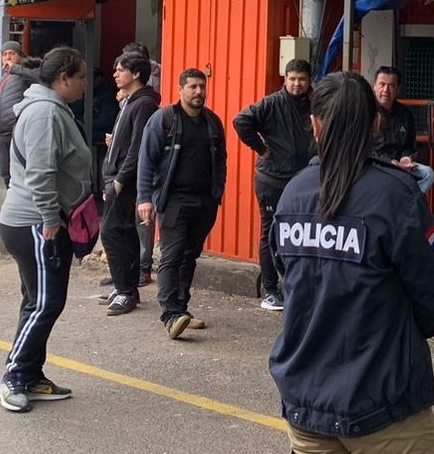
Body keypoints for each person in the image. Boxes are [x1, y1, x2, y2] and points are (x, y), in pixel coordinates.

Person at [269, 72, 434, 454]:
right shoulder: (394, 195)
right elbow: (432, 301)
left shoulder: (294, 193)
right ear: (376, 122)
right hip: (385, 403)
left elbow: (285, 280)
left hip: (308, 400)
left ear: (315, 125)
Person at [0, 46, 94, 414]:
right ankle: (14, 376)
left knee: (37, 300)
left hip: (42, 221)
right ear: (63, 78)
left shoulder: (53, 110)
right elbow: (40, 173)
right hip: (36, 223)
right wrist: (51, 220)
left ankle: (32, 375)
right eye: (81, 76)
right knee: (46, 302)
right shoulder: (43, 113)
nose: (86, 83)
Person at [139, 68, 228, 337]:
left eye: (202, 86)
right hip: (174, 200)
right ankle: (170, 314)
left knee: (190, 256)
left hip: (204, 202)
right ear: (180, 90)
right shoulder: (164, 120)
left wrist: (218, 192)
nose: (199, 92)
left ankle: (182, 309)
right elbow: (146, 161)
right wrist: (144, 198)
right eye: (193, 87)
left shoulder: (212, 122)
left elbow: (221, 160)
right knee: (172, 254)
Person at [233, 59, 315, 311]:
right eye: (292, 79)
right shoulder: (271, 103)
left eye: (301, 79)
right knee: (272, 233)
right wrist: (262, 149)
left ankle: (299, 286)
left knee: (305, 232)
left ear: (309, 80)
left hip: (304, 180)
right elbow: (240, 121)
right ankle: (270, 290)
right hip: (272, 180)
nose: (296, 84)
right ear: (285, 79)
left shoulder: (317, 103)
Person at [98, 53, 161, 315]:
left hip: (123, 180)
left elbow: (138, 147)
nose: (115, 74)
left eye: (121, 70)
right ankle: (124, 285)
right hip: (114, 174)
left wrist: (122, 180)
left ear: (135, 74)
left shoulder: (143, 103)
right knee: (122, 232)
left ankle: (126, 290)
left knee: (112, 232)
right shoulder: (130, 102)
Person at [371, 66, 434, 193]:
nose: (386, 90)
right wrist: (389, 161)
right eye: (382, 84)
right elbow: (364, 150)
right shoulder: (367, 112)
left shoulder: (405, 114)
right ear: (374, 86)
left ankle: (407, 201)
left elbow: (409, 145)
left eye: (391, 85)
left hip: (401, 165)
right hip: (375, 164)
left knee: (428, 173)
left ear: (398, 89)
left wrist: (406, 158)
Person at [0, 41, 37, 190]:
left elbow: (40, 78)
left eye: (12, 53)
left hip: (16, 133)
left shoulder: (24, 72)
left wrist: (17, 69)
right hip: (2, 135)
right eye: (4, 54)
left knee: (19, 174)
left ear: (20, 56)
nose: (8, 57)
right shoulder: (3, 78)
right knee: (6, 174)